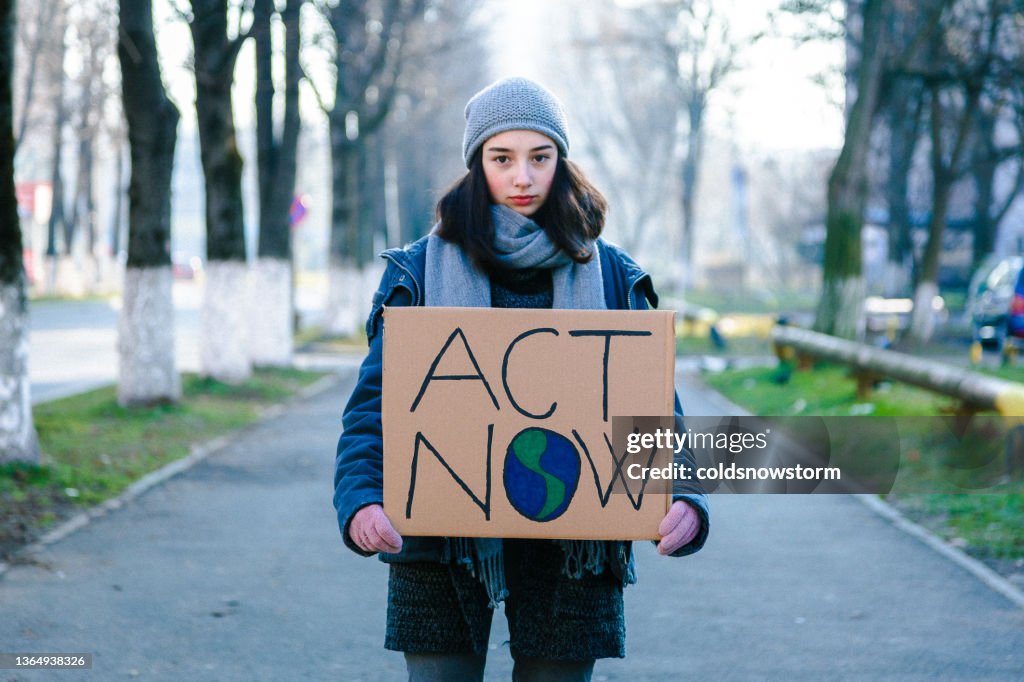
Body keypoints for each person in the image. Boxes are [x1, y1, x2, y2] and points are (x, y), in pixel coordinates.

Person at [333, 76, 709, 681]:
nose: (522, 177)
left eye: (540, 157)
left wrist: (685, 493)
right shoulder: (418, 271)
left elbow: (654, 408)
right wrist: (360, 501)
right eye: (502, 158)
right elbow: (371, 408)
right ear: (477, 163)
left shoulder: (614, 275)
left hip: (575, 549)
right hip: (441, 545)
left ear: (561, 162)